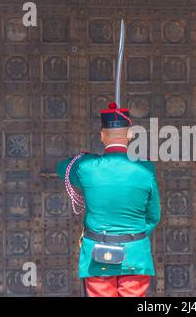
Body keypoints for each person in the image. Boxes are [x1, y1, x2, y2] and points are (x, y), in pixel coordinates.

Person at [56, 102, 161, 297]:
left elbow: (62, 168)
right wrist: (132, 235)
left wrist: (83, 158)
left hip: (98, 252)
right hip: (134, 252)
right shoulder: (146, 170)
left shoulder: (87, 167)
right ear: (130, 135)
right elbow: (153, 216)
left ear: (102, 135)